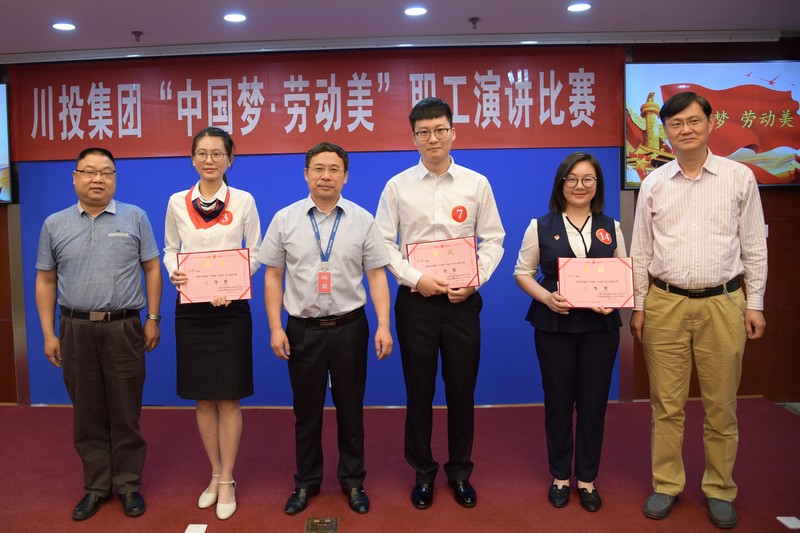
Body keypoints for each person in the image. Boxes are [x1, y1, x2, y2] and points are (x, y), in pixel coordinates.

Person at [630, 92, 768, 529]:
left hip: (723, 303)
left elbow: (754, 246)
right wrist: (639, 305)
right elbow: (640, 250)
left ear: (710, 123)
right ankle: (666, 484)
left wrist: (755, 303)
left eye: (693, 121)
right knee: (665, 405)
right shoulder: (653, 182)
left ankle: (720, 488)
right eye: (676, 124)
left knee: (721, 406)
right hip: (665, 303)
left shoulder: (739, 178)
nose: (685, 130)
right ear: (666, 131)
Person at [375, 97, 505, 510]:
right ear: (414, 138)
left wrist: (475, 279)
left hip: (463, 301)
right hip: (416, 302)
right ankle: (423, 473)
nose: (433, 138)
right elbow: (383, 244)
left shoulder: (476, 183)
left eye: (440, 130)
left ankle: (460, 472)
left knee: (462, 389)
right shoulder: (397, 186)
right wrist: (416, 279)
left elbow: (494, 239)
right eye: (424, 132)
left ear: (453, 132)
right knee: (419, 390)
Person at [259, 142, 393, 516]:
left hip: (350, 327)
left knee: (351, 409)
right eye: (318, 168)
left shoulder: (363, 220)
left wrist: (384, 325)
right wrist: (275, 327)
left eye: (334, 169)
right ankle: (306, 482)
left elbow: (376, 276)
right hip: (302, 330)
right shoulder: (285, 219)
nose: (326, 176)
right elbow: (273, 276)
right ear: (306, 174)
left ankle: (353, 482)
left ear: (345, 176)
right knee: (306, 412)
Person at [35, 147, 162, 521]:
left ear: (115, 178)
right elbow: (45, 280)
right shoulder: (54, 224)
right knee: (87, 413)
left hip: (124, 327)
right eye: (89, 171)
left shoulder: (135, 217)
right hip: (74, 329)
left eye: (106, 172)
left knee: (125, 410)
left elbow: (152, 269)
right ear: (74, 177)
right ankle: (95, 487)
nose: (97, 179)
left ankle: (128, 485)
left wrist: (153, 318)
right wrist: (48, 333)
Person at [514, 152, 625, 513]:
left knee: (593, 404)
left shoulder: (612, 226)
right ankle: (560, 476)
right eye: (572, 179)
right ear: (561, 184)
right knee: (559, 402)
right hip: (555, 325)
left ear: (597, 184)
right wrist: (547, 298)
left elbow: (623, 274)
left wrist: (614, 301)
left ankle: (587, 479)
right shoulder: (540, 225)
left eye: (588, 179)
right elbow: (522, 272)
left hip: (600, 328)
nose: (580, 186)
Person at [163, 127, 262, 520]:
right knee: (203, 398)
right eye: (202, 153)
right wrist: (174, 271)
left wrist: (233, 285)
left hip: (230, 310)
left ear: (229, 159)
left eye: (217, 153)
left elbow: (256, 252)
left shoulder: (244, 200)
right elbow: (170, 249)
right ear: (192, 159)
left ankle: (228, 480)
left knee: (228, 397)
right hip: (191, 310)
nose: (209, 160)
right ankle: (215, 473)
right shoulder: (176, 202)